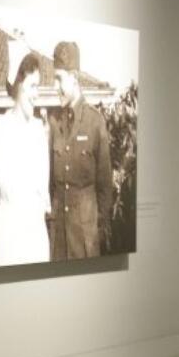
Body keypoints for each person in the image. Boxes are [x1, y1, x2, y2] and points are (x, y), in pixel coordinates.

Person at [0, 52, 50, 266]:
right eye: (33, 86)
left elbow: (42, 192)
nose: (36, 94)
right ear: (19, 85)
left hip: (35, 238)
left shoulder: (39, 131)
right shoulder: (0, 129)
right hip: (7, 241)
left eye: (38, 86)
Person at [48, 41, 113, 259]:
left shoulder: (95, 122)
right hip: (58, 242)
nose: (55, 87)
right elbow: (50, 184)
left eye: (59, 79)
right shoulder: (53, 123)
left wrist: (98, 234)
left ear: (74, 78)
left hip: (85, 242)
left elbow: (105, 188)